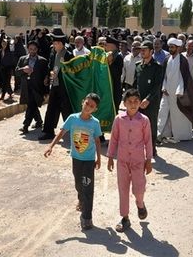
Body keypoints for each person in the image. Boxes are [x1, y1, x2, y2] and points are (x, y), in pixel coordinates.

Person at [44, 93, 102, 230]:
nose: (88, 107)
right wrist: (51, 146)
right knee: (78, 183)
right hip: (76, 158)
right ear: (83, 102)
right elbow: (61, 132)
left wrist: (99, 158)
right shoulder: (72, 118)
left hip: (88, 160)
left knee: (88, 187)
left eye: (92, 106)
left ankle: (87, 217)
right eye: (87, 103)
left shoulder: (95, 123)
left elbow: (98, 141)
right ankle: (81, 199)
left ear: (95, 109)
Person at [107, 89, 153, 232]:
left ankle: (140, 204)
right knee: (123, 189)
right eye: (130, 102)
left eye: (136, 101)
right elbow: (114, 138)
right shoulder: (119, 119)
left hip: (138, 161)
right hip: (122, 160)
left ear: (140, 103)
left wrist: (149, 160)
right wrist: (110, 157)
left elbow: (148, 141)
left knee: (139, 188)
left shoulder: (144, 120)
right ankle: (125, 218)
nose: (133, 104)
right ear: (124, 103)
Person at [157, 38, 193, 142]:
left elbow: (183, 78)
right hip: (166, 92)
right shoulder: (167, 59)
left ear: (178, 48)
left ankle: (181, 135)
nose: (170, 49)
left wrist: (180, 91)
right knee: (162, 112)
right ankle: (159, 134)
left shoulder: (182, 61)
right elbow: (164, 76)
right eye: (170, 47)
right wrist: (164, 88)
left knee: (178, 115)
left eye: (172, 47)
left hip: (177, 94)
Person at [38, 28, 74, 140]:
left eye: (56, 43)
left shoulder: (68, 55)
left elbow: (72, 71)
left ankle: (73, 130)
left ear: (61, 43)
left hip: (65, 87)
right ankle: (48, 131)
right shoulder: (53, 53)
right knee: (51, 108)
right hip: (54, 85)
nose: (54, 44)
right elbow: (50, 66)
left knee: (67, 109)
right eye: (54, 42)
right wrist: (48, 76)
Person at [134, 40, 163, 156]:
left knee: (151, 125)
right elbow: (136, 84)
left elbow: (157, 86)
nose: (142, 52)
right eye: (141, 49)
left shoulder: (157, 67)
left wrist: (148, 99)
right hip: (139, 102)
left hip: (151, 102)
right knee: (138, 125)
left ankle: (152, 149)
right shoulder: (138, 66)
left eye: (144, 50)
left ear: (151, 51)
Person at [16, 41, 48, 134]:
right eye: (30, 49)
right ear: (28, 49)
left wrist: (46, 91)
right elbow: (16, 71)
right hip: (26, 87)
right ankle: (39, 121)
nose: (32, 51)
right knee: (31, 105)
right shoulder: (22, 59)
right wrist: (23, 70)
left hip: (37, 88)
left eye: (34, 49)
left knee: (31, 105)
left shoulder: (42, 61)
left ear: (37, 50)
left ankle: (25, 125)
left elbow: (45, 76)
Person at [106, 36, 124, 113]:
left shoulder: (118, 57)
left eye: (107, 44)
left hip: (114, 88)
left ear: (113, 46)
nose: (105, 46)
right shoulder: (106, 55)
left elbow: (117, 74)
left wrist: (109, 63)